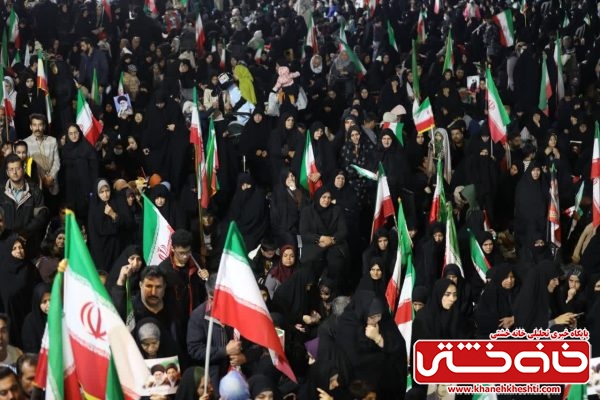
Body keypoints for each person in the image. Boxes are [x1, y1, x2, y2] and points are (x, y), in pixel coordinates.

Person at [336, 290, 407, 398]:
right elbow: (349, 358)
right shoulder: (347, 324)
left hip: (386, 387)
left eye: (378, 316)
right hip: (359, 389)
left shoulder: (384, 321)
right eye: (372, 317)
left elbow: (399, 347)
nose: (375, 321)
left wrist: (379, 339)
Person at [299, 187, 349, 289]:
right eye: (324, 197)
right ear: (318, 197)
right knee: (312, 263)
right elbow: (304, 233)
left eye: (329, 198)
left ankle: (332, 291)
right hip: (315, 243)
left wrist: (331, 240)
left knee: (336, 263)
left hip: (334, 243)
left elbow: (343, 230)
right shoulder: (307, 211)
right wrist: (320, 238)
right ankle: (312, 290)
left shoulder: (337, 209)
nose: (326, 200)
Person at [0, 154, 48, 257]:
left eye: (18, 168)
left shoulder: (35, 191)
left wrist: (25, 233)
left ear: (23, 169)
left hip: (28, 242)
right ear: (7, 172)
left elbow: (41, 216)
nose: (14, 172)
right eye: (11, 169)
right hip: (5, 242)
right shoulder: (1, 191)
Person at [59, 123, 98, 219]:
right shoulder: (64, 150)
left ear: (79, 133)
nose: (74, 136)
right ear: (67, 135)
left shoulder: (88, 148)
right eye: (71, 133)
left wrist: (93, 188)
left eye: (75, 132)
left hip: (85, 190)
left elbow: (95, 170)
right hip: (70, 190)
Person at [23, 114, 60, 197]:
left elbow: (57, 162)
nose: (37, 128)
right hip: (35, 184)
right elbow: (26, 165)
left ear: (44, 126)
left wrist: (51, 177)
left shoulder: (52, 141)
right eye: (34, 125)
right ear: (30, 127)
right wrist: (42, 178)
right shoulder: (25, 143)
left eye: (40, 125)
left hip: (52, 183)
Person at [21, 283, 50, 353]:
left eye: (51, 300)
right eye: (44, 302)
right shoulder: (30, 322)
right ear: (37, 303)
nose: (49, 304)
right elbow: (31, 350)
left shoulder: (61, 316)